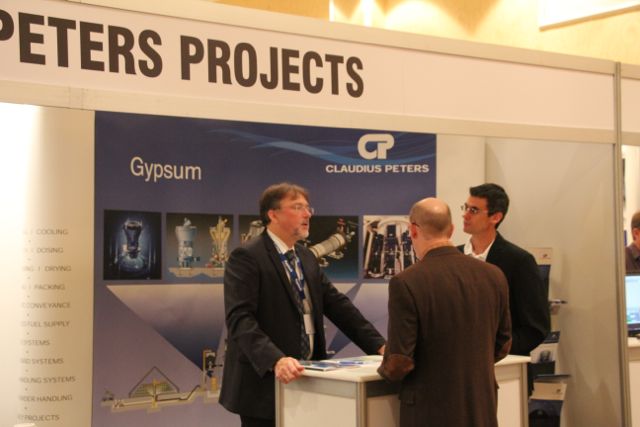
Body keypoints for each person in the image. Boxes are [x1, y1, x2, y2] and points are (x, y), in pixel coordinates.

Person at [220, 182, 385, 427]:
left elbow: (338, 306)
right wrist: (276, 360)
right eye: (298, 207)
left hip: (308, 380)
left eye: (308, 208)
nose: (307, 214)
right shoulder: (247, 257)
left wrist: (380, 346)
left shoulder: (305, 257)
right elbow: (240, 319)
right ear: (273, 214)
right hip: (265, 385)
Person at [378, 197, 511, 427]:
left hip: (430, 410)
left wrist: (384, 370)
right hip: (481, 406)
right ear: (451, 230)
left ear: (413, 230)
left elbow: (400, 361)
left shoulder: (406, 282)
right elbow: (503, 344)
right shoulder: (494, 275)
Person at [458, 183, 550, 355]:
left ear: (495, 217)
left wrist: (494, 350)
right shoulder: (454, 256)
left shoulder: (519, 261)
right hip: (457, 361)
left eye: (474, 210)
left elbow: (536, 327)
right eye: (466, 207)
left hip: (504, 364)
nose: (465, 215)